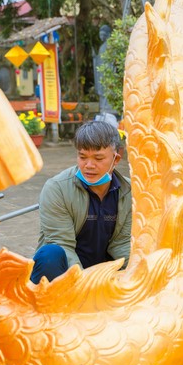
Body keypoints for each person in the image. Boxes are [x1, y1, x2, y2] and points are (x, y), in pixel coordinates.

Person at [31, 121, 132, 283]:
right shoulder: (57, 188)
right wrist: (84, 284)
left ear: (116, 159)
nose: (89, 165)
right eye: (82, 157)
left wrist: (140, 273)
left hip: (103, 271)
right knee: (50, 254)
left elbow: (122, 243)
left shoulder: (129, 191)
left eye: (98, 158)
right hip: (64, 272)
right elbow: (62, 242)